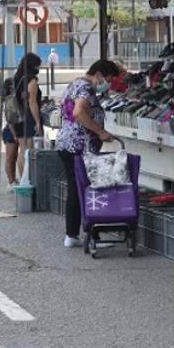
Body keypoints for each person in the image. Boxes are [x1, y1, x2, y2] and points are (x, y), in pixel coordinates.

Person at [55, 59, 122, 248]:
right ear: (98, 74)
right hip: (80, 146)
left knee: (75, 190)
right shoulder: (86, 88)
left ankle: (72, 234)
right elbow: (78, 112)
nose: (106, 83)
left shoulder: (75, 83)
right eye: (107, 79)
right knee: (86, 190)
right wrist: (99, 131)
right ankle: (91, 236)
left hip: (67, 144)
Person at [12, 53, 44, 154]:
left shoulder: (16, 78)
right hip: (28, 118)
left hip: (17, 116)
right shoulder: (31, 80)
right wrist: (38, 121)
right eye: (37, 65)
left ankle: (22, 170)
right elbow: (32, 102)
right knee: (29, 152)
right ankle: (28, 170)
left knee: (22, 149)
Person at [0, 77, 20, 189]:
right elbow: (10, 120)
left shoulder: (13, 99)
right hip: (11, 131)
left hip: (13, 131)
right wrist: (14, 134)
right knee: (10, 158)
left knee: (14, 158)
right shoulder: (9, 101)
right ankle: (11, 181)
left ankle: (13, 179)